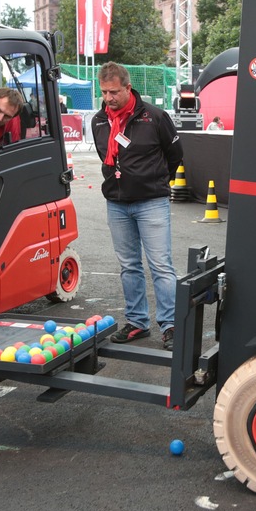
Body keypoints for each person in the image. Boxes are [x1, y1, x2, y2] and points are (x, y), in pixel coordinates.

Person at [91, 62, 184, 351]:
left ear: (128, 88)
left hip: (151, 202)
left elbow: (175, 154)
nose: (109, 98)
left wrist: (155, 182)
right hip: (117, 204)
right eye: (104, 92)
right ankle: (137, 322)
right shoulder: (98, 121)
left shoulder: (154, 117)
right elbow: (104, 155)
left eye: (114, 92)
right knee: (129, 266)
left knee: (161, 266)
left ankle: (170, 326)